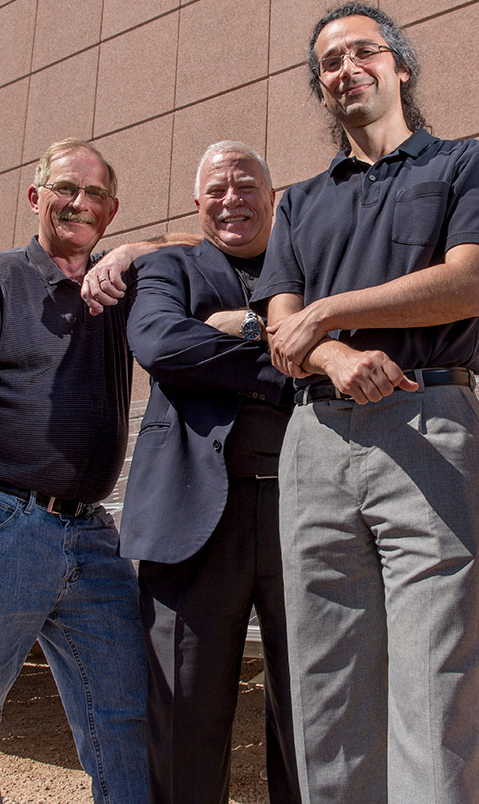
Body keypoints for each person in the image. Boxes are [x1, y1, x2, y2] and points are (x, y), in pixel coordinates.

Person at [254, 2, 479, 803]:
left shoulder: (463, 165)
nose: (345, 69)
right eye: (329, 62)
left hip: (428, 427)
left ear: (399, 66)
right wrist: (332, 356)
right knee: (326, 677)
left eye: (361, 51)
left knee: (437, 674)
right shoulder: (299, 204)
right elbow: (280, 324)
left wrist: (333, 314)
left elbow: (469, 281)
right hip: (315, 446)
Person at [0, 137, 185, 804]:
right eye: (65, 188)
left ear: (110, 213)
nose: (78, 203)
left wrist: (131, 254)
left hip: (91, 538)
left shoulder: (122, 290)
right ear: (36, 197)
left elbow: (206, 243)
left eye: (94, 195)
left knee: (126, 715)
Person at [120, 141, 300, 803]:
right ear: (198, 205)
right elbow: (162, 342)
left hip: (305, 514)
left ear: (272, 196)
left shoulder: (308, 268)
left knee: (311, 711)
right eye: (217, 190)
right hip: (189, 524)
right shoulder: (169, 267)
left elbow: (348, 344)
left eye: (246, 185)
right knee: (183, 718)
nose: (232, 199)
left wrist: (242, 328)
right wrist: (287, 349)